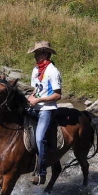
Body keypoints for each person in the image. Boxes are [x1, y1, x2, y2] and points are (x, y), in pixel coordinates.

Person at [27, 41, 62, 185]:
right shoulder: (36, 69)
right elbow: (36, 88)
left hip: (46, 109)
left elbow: (57, 95)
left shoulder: (53, 71)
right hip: (34, 106)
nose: (35, 56)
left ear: (46, 54)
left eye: (38, 53)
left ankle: (41, 172)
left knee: (40, 138)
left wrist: (39, 100)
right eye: (35, 53)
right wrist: (31, 96)